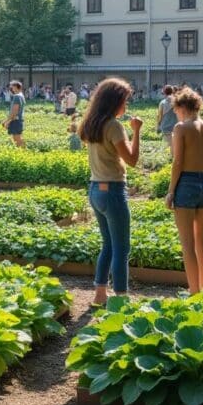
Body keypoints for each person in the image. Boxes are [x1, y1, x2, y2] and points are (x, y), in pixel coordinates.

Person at [79, 78, 143, 306]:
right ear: (114, 101)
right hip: (113, 190)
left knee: (107, 244)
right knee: (122, 248)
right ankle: (121, 299)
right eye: (124, 101)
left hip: (95, 189)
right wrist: (137, 132)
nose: (126, 106)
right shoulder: (114, 126)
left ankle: (99, 294)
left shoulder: (91, 124)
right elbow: (132, 160)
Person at [164, 87, 203, 294]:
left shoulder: (181, 128)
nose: (175, 113)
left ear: (182, 107)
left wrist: (170, 191)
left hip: (185, 183)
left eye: (175, 109)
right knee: (200, 241)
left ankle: (193, 292)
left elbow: (177, 162)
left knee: (187, 244)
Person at [3, 80, 26, 148]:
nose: (11, 89)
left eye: (12, 87)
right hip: (18, 120)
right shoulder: (21, 95)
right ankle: (24, 152)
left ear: (16, 87)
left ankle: (22, 153)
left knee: (16, 139)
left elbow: (14, 112)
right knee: (19, 138)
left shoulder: (16, 96)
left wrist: (7, 122)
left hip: (15, 121)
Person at [156, 85, 178, 155]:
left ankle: (169, 161)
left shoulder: (163, 102)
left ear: (164, 92)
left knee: (167, 147)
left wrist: (158, 125)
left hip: (166, 127)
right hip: (176, 127)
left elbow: (159, 116)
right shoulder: (177, 101)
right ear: (172, 91)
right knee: (176, 145)